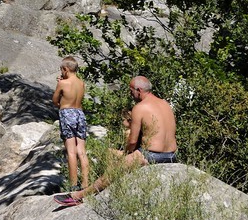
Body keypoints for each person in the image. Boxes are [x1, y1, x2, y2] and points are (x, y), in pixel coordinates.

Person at [55, 75, 177, 206]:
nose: (131, 95)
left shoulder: (140, 108)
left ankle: (78, 196)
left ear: (139, 90)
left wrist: (127, 154)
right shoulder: (165, 103)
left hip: (151, 155)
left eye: (131, 91)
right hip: (171, 155)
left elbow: (132, 141)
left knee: (113, 171)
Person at [52, 56, 89, 198]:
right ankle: (85, 184)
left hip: (67, 114)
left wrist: (60, 84)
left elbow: (55, 101)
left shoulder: (62, 83)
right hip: (80, 114)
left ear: (65, 69)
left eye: (62, 70)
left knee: (71, 152)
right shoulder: (81, 83)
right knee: (82, 151)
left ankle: (73, 186)